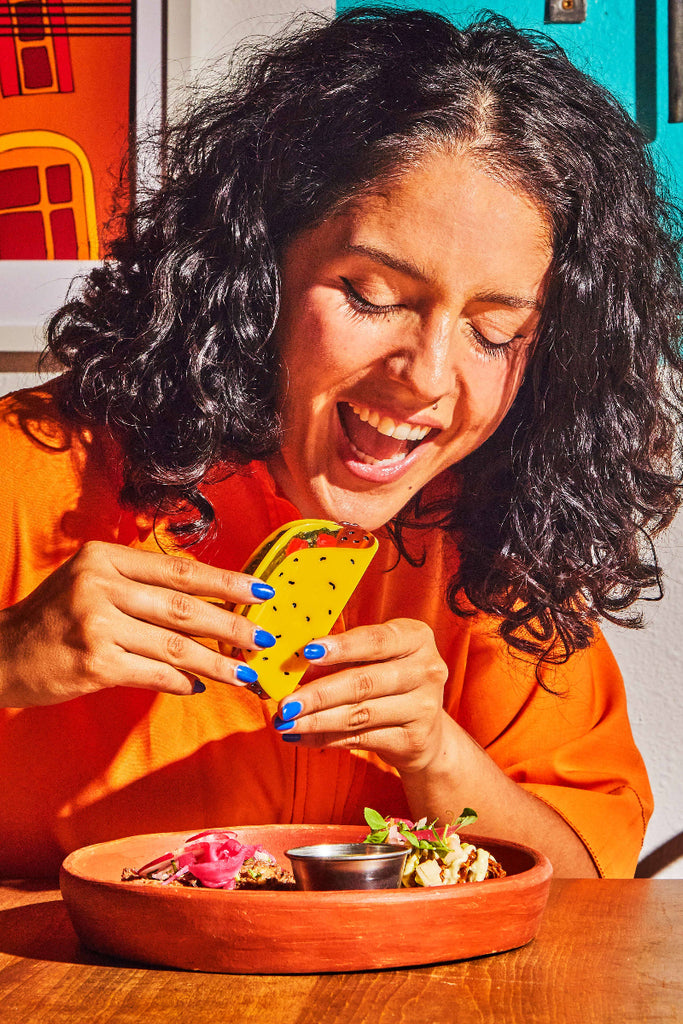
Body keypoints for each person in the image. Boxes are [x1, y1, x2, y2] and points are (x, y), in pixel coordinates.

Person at [1, 6, 680, 880]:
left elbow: (591, 891)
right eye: (370, 294)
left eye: (494, 328)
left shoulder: (495, 547)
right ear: (251, 270)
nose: (427, 376)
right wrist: (12, 658)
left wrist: (436, 753)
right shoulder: (32, 473)